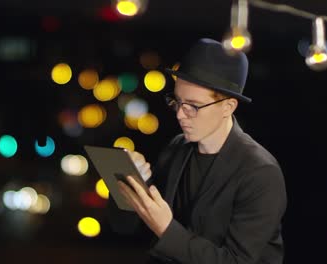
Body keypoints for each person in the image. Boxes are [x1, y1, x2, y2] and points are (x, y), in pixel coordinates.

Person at [107, 38, 287, 264]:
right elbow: (125, 227)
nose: (180, 114)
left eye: (193, 106)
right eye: (177, 102)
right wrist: (131, 181)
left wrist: (166, 229)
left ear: (228, 107)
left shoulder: (260, 173)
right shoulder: (177, 148)